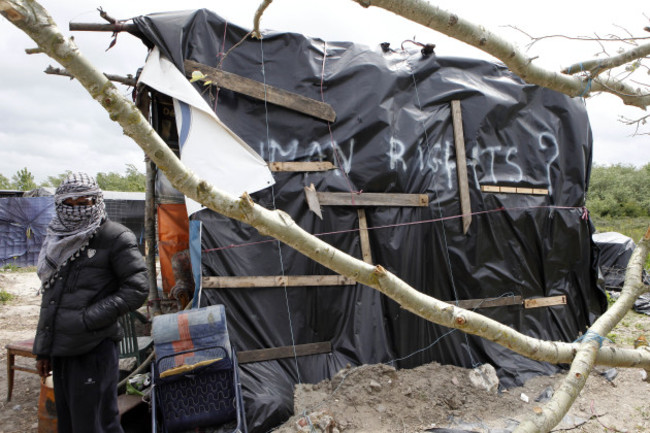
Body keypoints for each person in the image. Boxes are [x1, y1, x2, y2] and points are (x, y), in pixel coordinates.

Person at [33, 172, 149, 433]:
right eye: (70, 204)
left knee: (97, 424)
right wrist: (44, 350)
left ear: (96, 201)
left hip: (93, 349)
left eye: (84, 203)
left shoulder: (115, 237)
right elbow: (51, 299)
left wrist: (88, 319)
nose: (77, 210)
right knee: (71, 423)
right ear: (60, 205)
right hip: (63, 351)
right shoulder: (58, 240)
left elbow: (137, 289)